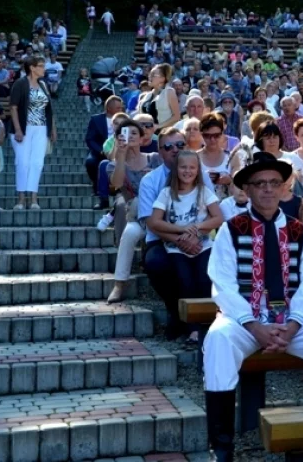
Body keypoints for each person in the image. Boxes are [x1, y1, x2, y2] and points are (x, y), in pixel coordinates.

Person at [204, 152, 303, 460]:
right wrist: (254, 326)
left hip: (292, 323)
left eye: (274, 182)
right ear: (246, 188)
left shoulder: (300, 231)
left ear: (284, 187)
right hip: (246, 323)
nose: (268, 189)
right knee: (218, 340)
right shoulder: (231, 230)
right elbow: (222, 284)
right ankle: (221, 448)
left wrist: (293, 325)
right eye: (260, 183)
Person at [139, 129, 219, 337]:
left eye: (179, 145)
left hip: (200, 239)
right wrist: (182, 239)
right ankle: (177, 313)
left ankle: (206, 320)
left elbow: (214, 215)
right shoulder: (152, 181)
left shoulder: (200, 180)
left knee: (208, 271)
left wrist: (197, 234)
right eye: (168, 146)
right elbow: (152, 223)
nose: (175, 150)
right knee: (158, 264)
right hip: (162, 239)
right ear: (160, 151)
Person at [107, 119, 162, 304]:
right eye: (125, 133)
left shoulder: (154, 158)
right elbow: (116, 185)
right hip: (137, 216)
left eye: (134, 133)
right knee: (129, 234)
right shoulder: (113, 165)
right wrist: (120, 155)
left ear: (142, 139)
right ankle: (119, 283)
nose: (130, 137)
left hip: (159, 214)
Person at [9, 56, 56, 210]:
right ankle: (21, 200)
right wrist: (17, 129)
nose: (44, 69)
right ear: (32, 68)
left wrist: (52, 129)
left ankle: (34, 199)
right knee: (23, 163)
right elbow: (14, 107)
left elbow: (49, 109)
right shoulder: (20, 83)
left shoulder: (43, 84)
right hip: (24, 127)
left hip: (41, 128)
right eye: (41, 66)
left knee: (37, 163)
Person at [85, 97, 123, 210]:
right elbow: (90, 139)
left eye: (121, 107)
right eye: (118, 108)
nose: (121, 109)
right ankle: (98, 187)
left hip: (120, 150)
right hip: (100, 150)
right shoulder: (96, 119)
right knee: (91, 162)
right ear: (109, 108)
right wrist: (101, 151)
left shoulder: (125, 119)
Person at [138, 64, 181, 133]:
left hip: (162, 135)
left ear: (163, 78)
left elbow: (176, 117)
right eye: (149, 74)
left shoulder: (169, 92)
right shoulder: (147, 96)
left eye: (153, 75)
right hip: (146, 135)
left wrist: (158, 126)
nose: (149, 76)